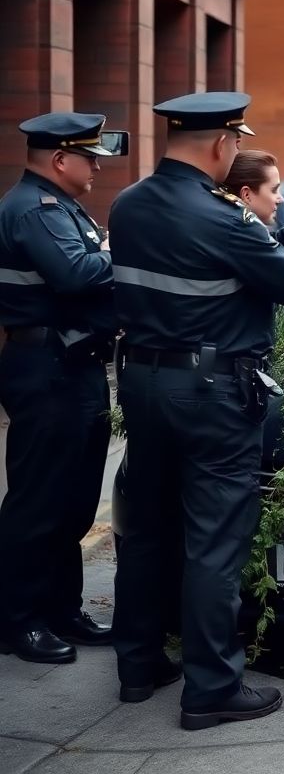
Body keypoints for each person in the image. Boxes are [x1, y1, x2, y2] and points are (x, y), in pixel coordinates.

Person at [108, 92, 284, 730]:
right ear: (222, 145)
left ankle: (138, 665)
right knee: (214, 540)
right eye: (236, 143)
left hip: (142, 385)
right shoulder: (223, 217)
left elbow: (207, 262)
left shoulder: (128, 205)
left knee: (148, 531)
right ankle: (211, 687)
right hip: (212, 397)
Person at [0, 112, 128, 664]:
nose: (97, 166)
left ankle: (62, 610)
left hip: (72, 365)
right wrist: (119, 252)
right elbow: (77, 273)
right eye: (90, 156)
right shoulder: (34, 208)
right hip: (45, 367)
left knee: (74, 501)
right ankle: (20, 620)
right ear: (59, 160)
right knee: (39, 501)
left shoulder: (60, 205)